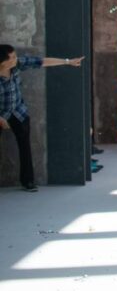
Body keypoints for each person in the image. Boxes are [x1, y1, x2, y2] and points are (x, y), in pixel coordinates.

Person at [0, 45, 84, 191]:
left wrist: (67, 61)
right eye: (12, 57)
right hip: (1, 115)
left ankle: (28, 181)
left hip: (18, 112)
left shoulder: (17, 64)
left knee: (25, 146)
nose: (15, 59)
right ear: (2, 62)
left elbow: (41, 62)